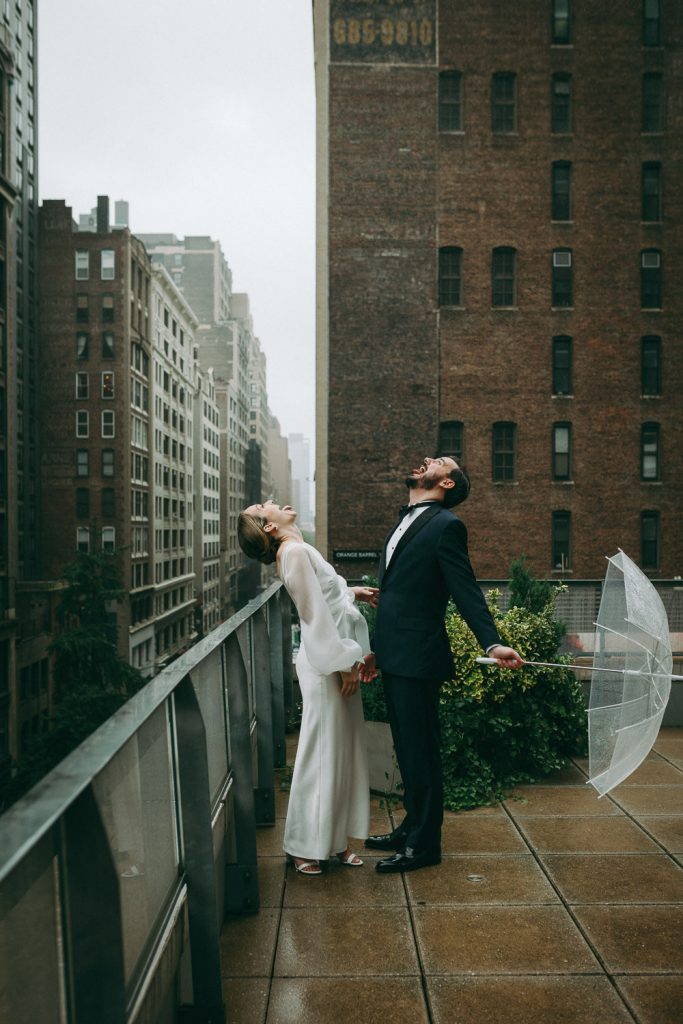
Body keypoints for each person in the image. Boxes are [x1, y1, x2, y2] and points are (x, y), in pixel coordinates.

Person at [363, 456, 523, 873]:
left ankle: (424, 846)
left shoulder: (445, 526)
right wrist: (377, 648)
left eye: (438, 462)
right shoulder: (406, 520)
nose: (427, 461)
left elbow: (464, 587)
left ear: (447, 483)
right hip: (396, 654)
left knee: (421, 753)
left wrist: (493, 641)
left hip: (419, 657)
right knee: (406, 748)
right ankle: (410, 827)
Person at [238, 500, 378, 876]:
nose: (275, 501)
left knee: (342, 749)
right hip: (326, 663)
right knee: (320, 751)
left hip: (332, 658)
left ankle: (334, 841)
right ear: (268, 526)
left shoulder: (296, 549)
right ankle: (303, 846)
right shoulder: (295, 551)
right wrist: (345, 663)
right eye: (265, 505)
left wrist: (352, 592)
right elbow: (314, 616)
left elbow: (325, 596)